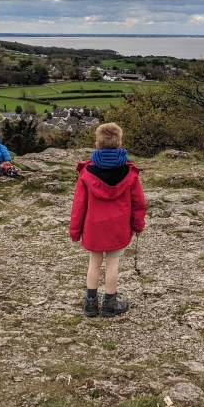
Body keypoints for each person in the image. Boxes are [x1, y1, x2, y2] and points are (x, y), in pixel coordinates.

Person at [69, 122, 146, 318]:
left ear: (97, 144)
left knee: (94, 262)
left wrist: (75, 231)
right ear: (120, 145)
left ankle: (90, 304)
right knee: (113, 263)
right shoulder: (130, 172)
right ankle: (110, 303)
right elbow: (138, 203)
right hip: (118, 227)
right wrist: (138, 225)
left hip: (93, 227)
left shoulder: (87, 173)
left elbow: (79, 204)